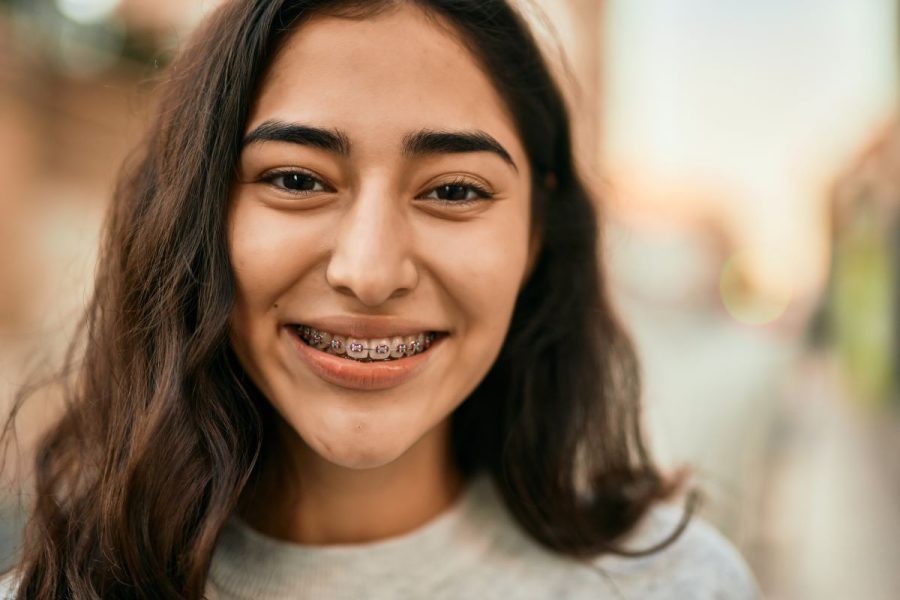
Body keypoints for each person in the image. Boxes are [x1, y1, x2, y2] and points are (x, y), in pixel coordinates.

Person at [2, 0, 760, 598]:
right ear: (198, 219)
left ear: (534, 236)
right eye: (296, 179)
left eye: (455, 191)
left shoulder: (679, 587)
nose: (368, 273)